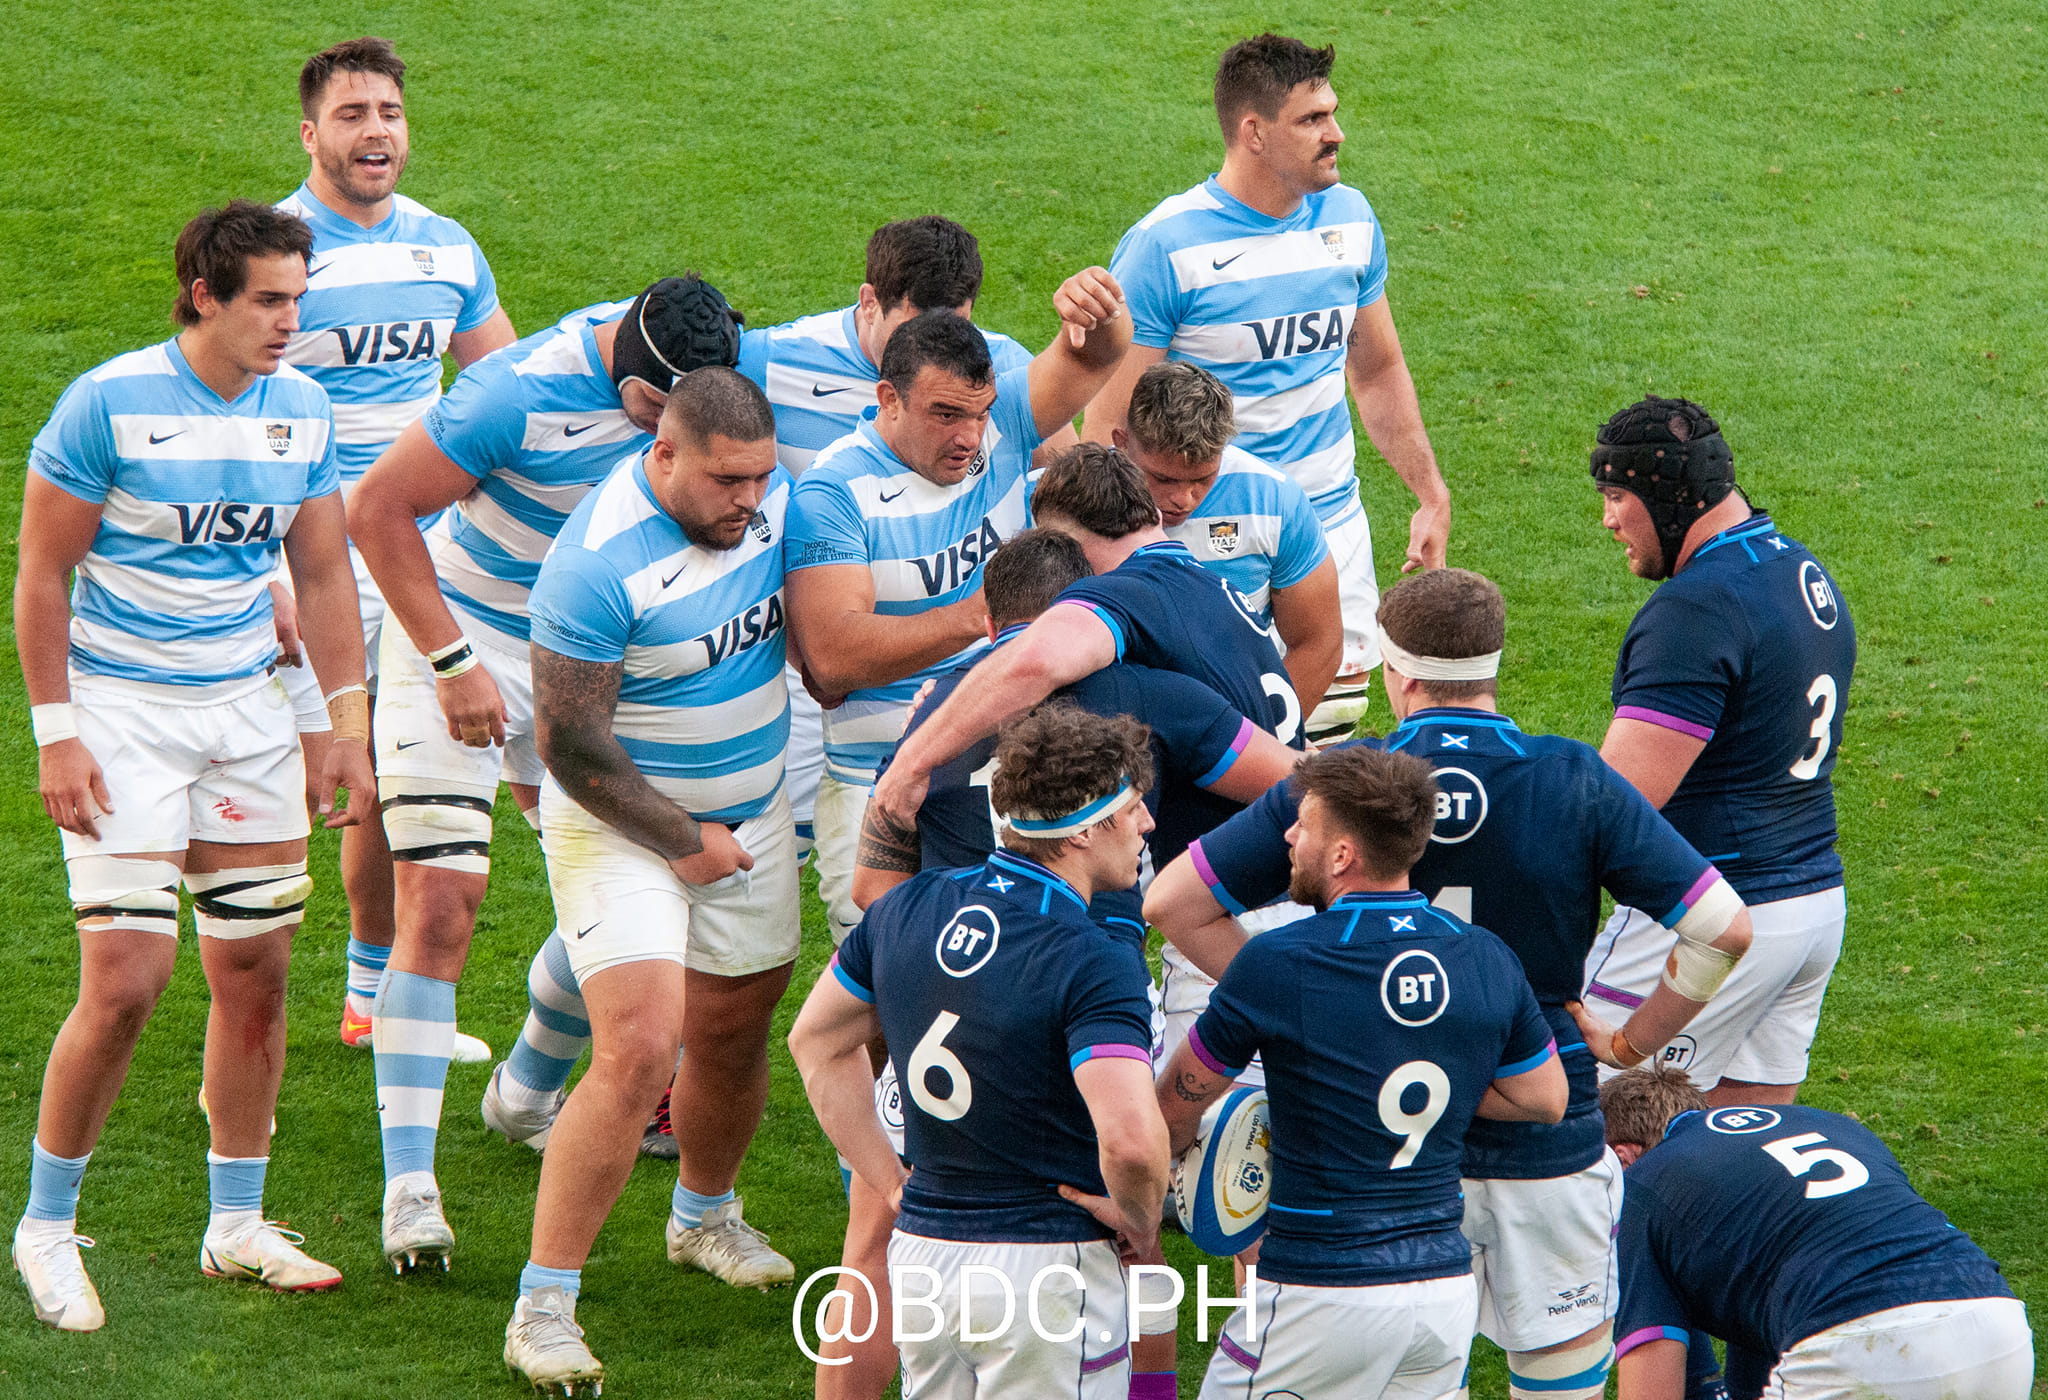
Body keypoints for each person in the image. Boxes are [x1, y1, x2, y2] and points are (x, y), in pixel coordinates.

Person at [1146, 567, 1756, 1400]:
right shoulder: (1574, 779)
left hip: (1367, 1149)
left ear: (1397, 673)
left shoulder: (1346, 787)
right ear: (1493, 667)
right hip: (1544, 1128)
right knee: (1559, 1375)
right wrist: (1629, 1042)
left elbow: (1172, 903)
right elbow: (1726, 928)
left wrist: (1314, 1000)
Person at [12, 201, 377, 1329]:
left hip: (246, 717)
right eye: (268, 300)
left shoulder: (302, 408)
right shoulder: (109, 403)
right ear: (202, 296)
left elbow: (320, 578)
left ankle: (236, 1223)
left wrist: (339, 724)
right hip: (122, 715)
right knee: (125, 983)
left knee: (257, 968)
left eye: (298, 300)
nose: (288, 321)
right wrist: (57, 731)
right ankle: (45, 1227)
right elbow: (40, 575)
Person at [832, 527, 1298, 1400]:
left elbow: (872, 886)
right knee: (1133, 1235)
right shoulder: (1145, 694)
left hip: (936, 989)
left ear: (991, 616)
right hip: (1084, 1001)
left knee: (875, 1242)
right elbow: (1293, 789)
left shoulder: (936, 701)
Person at [348, 272, 743, 1271]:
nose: (663, 434)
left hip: (587, 660)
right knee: (441, 903)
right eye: (655, 411)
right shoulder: (509, 395)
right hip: (466, 640)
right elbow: (378, 509)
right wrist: (449, 659)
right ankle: (409, 1192)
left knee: (632, 893)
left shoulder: (713, 379)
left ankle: (524, 1092)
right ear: (623, 358)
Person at [499, 369, 796, 1391]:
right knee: (635, 1048)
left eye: (759, 477)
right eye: (725, 481)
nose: (747, 501)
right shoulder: (592, 567)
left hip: (749, 819)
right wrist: (683, 841)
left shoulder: (772, 498)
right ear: (661, 454)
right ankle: (543, 1304)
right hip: (624, 827)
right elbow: (570, 744)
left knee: (733, 1025)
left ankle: (703, 1216)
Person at [1155, 746, 1567, 1399]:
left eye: (1306, 825)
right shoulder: (1485, 956)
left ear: (1343, 855)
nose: (1289, 836)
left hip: (1320, 1290)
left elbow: (1173, 1110)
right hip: (1442, 1295)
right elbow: (1545, 1098)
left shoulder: (1279, 964)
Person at [789, 704, 1169, 1399]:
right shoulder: (1093, 957)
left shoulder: (906, 908)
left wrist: (890, 1182)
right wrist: (1141, 1220)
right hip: (1048, 1271)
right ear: (1086, 830)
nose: (1146, 826)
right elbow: (1134, 1143)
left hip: (925, 1256)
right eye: (1134, 809)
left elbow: (813, 1041)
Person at [1085, 33, 1451, 742]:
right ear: (1253, 132)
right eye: (1312, 120)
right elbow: (1108, 418)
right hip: (1207, 533)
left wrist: (1428, 491)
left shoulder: (1351, 219)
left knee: (1330, 726)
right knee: (1199, 736)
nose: (1336, 134)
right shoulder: (1167, 248)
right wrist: (1127, 548)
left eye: (1333, 113)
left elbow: (1375, 368)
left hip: (1328, 518)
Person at [278, 36, 516, 1053]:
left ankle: (374, 986)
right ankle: (250, 983)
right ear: (309, 133)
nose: (376, 131)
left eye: (389, 113)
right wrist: (267, 567)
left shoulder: (446, 246)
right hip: (313, 549)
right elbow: (245, 413)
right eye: (352, 114)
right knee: (327, 776)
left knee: (398, 765)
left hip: (426, 548)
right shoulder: (276, 251)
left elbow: (506, 387)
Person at [783, 270, 1129, 945]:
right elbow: (833, 657)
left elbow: (1096, 353)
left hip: (1012, 763)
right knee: (891, 979)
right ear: (888, 398)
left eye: (979, 413)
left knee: (1032, 964)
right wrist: (981, 613)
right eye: (945, 415)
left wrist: (1101, 310)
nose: (970, 437)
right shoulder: (834, 494)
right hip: (880, 777)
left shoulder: (997, 427)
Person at [1582, 398, 1856, 1106]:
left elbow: (1620, 805)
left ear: (1667, 496)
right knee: (1735, 1166)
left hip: (1713, 915)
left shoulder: (1697, 609)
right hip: (1813, 911)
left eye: (1617, 496)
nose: (1608, 519)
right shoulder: (1801, 570)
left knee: (1578, 1127)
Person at [868, 442, 1306, 851]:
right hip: (1287, 838)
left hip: (1244, 874)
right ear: (1151, 513)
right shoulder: (1206, 584)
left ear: (1069, 547)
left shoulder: (1124, 592)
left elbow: (1034, 662)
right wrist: (954, 695)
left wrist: (915, 759)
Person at [1601, 1067, 2033, 1400]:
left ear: (1623, 1157)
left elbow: (1653, 1385)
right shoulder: (1831, 1125)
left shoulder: (1642, 1186)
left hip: (1858, 1340)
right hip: (1997, 1324)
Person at [1115, 360, 1341, 712]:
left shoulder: (1273, 501)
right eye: (1164, 479)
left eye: (1203, 479)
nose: (1184, 499)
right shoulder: (1073, 504)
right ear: (1122, 444)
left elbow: (1318, 641)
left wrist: (1262, 736)